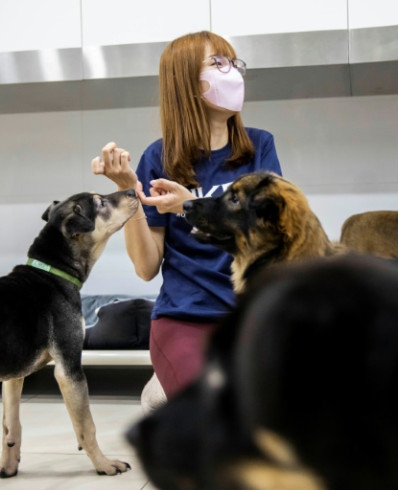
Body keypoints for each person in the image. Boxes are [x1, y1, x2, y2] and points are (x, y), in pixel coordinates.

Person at [91, 31, 282, 399]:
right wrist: (129, 194)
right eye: (218, 63)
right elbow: (147, 268)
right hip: (185, 318)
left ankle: (165, 394)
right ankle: (170, 387)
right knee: (219, 412)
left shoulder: (260, 146)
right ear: (186, 84)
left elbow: (273, 237)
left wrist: (189, 208)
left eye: (234, 63)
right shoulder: (158, 158)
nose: (233, 72)